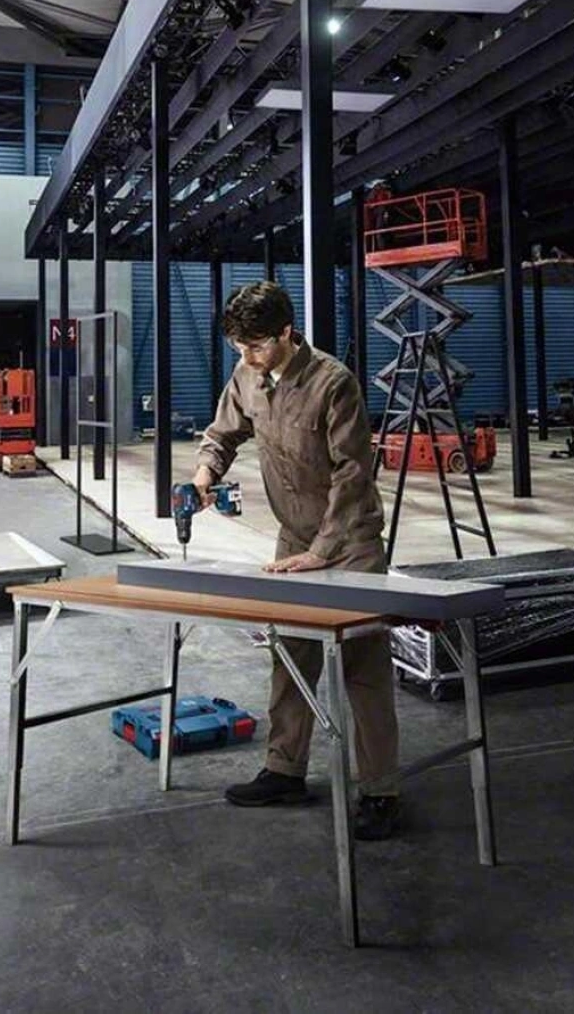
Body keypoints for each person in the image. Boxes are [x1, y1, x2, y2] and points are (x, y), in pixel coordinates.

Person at [191, 281, 401, 840]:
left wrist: (321, 552)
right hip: (294, 537)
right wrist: (205, 471)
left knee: (362, 666)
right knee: (290, 655)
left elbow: (354, 475)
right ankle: (284, 770)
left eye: (257, 346)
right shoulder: (247, 374)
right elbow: (223, 432)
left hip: (349, 541)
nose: (247, 358)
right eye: (238, 348)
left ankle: (380, 790)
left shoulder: (334, 382)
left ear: (287, 332)